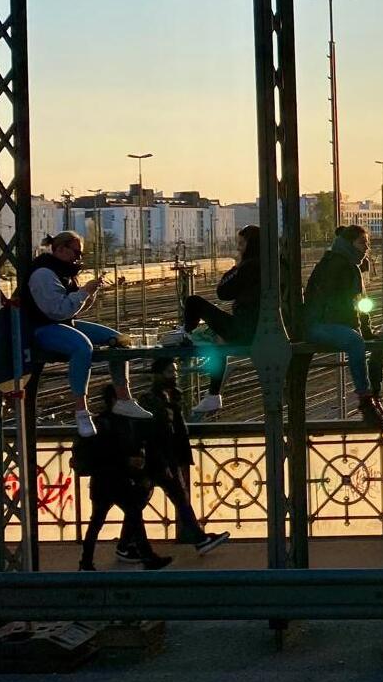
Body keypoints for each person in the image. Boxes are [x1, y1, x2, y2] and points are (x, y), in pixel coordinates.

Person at [23, 230, 150, 438]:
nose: (78, 258)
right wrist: (84, 292)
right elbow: (57, 310)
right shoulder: (43, 274)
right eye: (76, 252)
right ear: (61, 249)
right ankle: (81, 411)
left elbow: (70, 309)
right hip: (41, 328)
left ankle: (124, 399)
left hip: (63, 323)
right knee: (82, 347)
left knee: (120, 340)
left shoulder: (63, 271)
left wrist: (90, 293)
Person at [123, 356, 230, 558]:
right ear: (157, 375)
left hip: (165, 460)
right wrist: (162, 462)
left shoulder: (168, 397)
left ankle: (125, 544)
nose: (175, 375)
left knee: (142, 502)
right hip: (159, 461)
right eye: (170, 372)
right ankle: (199, 539)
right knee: (177, 499)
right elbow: (153, 434)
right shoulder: (152, 401)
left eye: (175, 371)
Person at [164, 225, 260, 418]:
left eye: (241, 243)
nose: (239, 248)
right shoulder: (268, 264)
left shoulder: (250, 266)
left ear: (251, 244)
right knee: (217, 339)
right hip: (261, 329)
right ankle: (213, 394)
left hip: (243, 330)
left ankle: (185, 333)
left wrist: (237, 266)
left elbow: (222, 291)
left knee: (194, 302)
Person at [77, 384, 172, 571]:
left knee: (99, 521)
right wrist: (129, 462)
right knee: (132, 515)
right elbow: (110, 453)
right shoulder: (118, 422)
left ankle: (86, 562)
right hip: (116, 480)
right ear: (115, 400)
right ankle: (148, 558)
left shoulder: (102, 422)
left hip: (105, 482)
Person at [303, 225, 383, 428]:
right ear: (348, 243)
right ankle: (365, 400)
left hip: (335, 323)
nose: (366, 247)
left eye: (367, 242)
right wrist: (360, 330)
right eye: (362, 242)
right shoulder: (336, 265)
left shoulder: (349, 264)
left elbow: (359, 303)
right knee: (354, 341)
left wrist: (366, 329)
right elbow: (345, 306)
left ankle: (375, 394)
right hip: (320, 325)